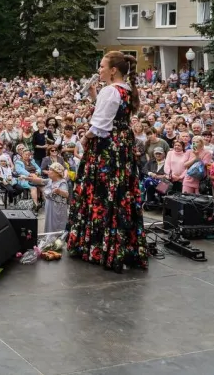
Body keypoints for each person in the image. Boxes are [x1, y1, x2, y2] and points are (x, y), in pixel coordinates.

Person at [67, 51, 148, 273]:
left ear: (113, 70)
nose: (99, 70)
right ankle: (121, 247)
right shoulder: (126, 89)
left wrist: (83, 138)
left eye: (102, 66)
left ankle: (97, 247)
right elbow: (113, 116)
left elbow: (100, 127)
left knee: (101, 193)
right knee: (119, 193)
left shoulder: (111, 91)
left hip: (106, 149)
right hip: (121, 147)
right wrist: (95, 96)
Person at [42, 163, 69, 234]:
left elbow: (66, 194)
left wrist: (59, 191)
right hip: (50, 208)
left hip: (57, 209)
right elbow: (40, 180)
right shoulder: (51, 180)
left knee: (56, 226)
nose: (48, 171)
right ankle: (49, 240)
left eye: (51, 170)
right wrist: (27, 178)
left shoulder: (62, 182)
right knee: (50, 225)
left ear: (57, 173)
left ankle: (56, 241)